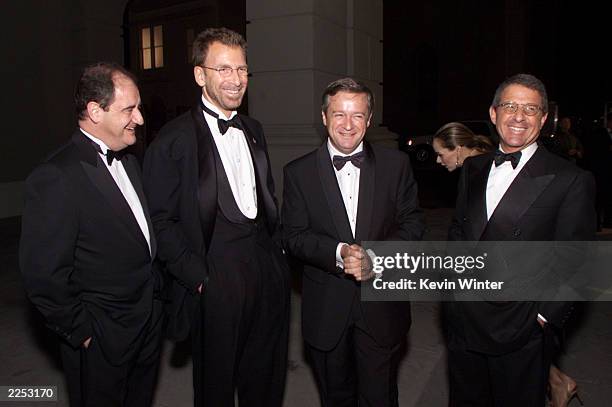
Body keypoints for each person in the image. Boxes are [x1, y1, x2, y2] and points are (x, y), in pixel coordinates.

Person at [142, 27, 290, 407]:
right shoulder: (172, 140)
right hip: (215, 274)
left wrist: (276, 260)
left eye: (241, 69)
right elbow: (159, 220)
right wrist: (197, 277)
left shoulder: (253, 129)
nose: (236, 79)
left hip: (265, 268)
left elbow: (265, 196)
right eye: (223, 69)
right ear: (199, 75)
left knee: (266, 376)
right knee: (216, 385)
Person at [445, 73, 595, 406]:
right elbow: (459, 231)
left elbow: (577, 259)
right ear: (493, 113)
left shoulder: (570, 180)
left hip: (519, 330)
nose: (519, 116)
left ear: (543, 119)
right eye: (510, 106)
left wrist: (544, 318)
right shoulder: (473, 167)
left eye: (530, 109)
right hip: (463, 321)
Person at [19, 62, 162, 407]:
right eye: (129, 109)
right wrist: (82, 333)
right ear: (95, 111)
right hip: (102, 338)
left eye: (138, 107)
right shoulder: (56, 176)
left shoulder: (128, 160)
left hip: (147, 325)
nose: (140, 119)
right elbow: (44, 276)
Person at [282, 78, 424, 406]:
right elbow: (292, 236)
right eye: (339, 115)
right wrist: (338, 252)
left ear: (369, 119)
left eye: (357, 115)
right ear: (323, 117)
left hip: (382, 309)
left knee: (380, 398)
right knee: (336, 398)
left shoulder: (396, 165)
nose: (348, 125)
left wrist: (377, 256)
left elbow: (414, 224)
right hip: (326, 311)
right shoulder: (298, 173)